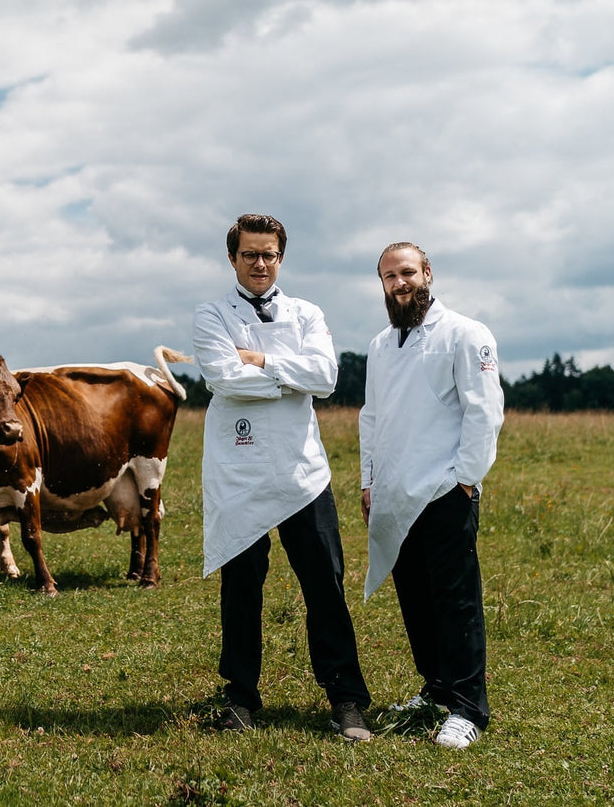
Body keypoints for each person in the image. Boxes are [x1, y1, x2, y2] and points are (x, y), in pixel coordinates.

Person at [193, 213, 372, 741]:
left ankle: (346, 699)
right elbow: (223, 378)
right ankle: (241, 698)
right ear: (232, 258)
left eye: (269, 254)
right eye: (249, 254)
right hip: (240, 471)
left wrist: (260, 361)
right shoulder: (211, 314)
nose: (260, 264)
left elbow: (326, 377)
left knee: (325, 586)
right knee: (242, 589)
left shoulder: (307, 312)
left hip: (302, 473)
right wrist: (288, 374)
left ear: (281, 257)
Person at [359, 242, 504, 749]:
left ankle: (468, 708)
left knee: (455, 602)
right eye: (389, 276)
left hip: (445, 492)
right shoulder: (381, 345)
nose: (400, 283)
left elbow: (484, 413)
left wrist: (465, 480)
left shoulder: (466, 334)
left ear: (428, 274)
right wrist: (368, 480)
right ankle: (437, 692)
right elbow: (371, 418)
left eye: (408, 273)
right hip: (396, 496)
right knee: (416, 601)